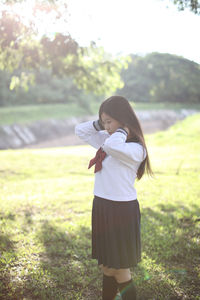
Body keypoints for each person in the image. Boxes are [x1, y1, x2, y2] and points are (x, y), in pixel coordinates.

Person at [75, 96, 153, 300]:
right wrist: (102, 124)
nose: (106, 127)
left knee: (119, 268)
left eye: (110, 121)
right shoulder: (108, 138)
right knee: (107, 267)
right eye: (104, 122)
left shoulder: (136, 149)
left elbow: (112, 147)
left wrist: (122, 130)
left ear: (123, 119)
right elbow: (80, 130)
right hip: (102, 206)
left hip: (121, 211)